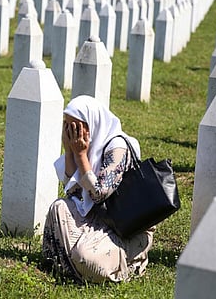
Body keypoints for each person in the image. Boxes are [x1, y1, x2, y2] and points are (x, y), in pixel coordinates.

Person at [42, 95, 155, 283]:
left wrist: (80, 155)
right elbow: (73, 193)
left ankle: (131, 259)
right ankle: (64, 265)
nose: (73, 134)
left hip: (123, 226)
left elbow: (99, 194)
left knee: (85, 256)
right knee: (59, 207)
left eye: (77, 128)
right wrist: (69, 151)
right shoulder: (88, 147)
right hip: (98, 217)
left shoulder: (117, 148)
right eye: (68, 128)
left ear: (91, 123)